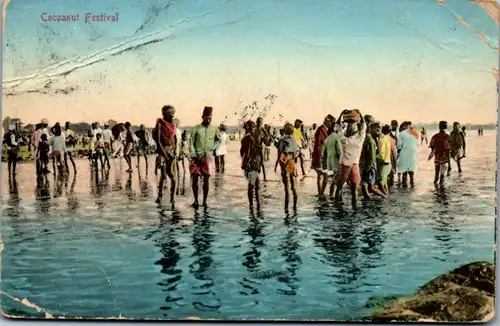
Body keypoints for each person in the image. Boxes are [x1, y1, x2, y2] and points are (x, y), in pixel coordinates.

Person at [189, 106, 221, 208]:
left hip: (207, 157)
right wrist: (193, 154)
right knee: (195, 178)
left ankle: (205, 201)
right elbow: (191, 142)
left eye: (210, 118)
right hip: (196, 157)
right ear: (202, 117)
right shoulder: (196, 128)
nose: (208, 120)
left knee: (206, 178)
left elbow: (218, 140)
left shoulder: (214, 129)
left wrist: (213, 148)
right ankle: (196, 200)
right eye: (207, 118)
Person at [334, 109, 365, 208]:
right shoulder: (360, 139)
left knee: (339, 187)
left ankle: (338, 208)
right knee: (355, 189)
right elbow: (364, 126)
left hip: (345, 165)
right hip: (355, 165)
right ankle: (354, 207)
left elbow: (337, 126)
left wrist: (341, 113)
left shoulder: (344, 140)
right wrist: (360, 113)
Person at [153, 105, 177, 204]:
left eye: (172, 114)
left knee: (172, 176)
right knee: (163, 176)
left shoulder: (173, 124)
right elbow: (158, 141)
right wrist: (165, 154)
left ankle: (172, 197)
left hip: (170, 152)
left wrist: (174, 151)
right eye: (170, 114)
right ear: (164, 114)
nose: (172, 116)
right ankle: (160, 196)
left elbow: (173, 138)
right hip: (163, 152)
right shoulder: (160, 124)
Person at [360, 122, 386, 199]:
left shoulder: (369, 139)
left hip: (368, 166)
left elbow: (372, 155)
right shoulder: (370, 140)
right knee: (368, 186)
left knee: (367, 185)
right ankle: (384, 197)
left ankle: (383, 197)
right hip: (369, 166)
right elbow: (371, 157)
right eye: (377, 130)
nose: (379, 131)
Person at [277, 122, 299, 212]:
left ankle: (286, 209)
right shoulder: (293, 140)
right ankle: (295, 207)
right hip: (292, 164)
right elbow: (295, 154)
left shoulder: (282, 140)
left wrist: (281, 166)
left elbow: (280, 154)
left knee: (287, 189)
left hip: (285, 164)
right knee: (294, 187)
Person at [240, 120, 261, 209]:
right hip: (252, 163)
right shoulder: (249, 138)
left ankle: (254, 205)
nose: (254, 128)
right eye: (253, 127)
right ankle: (253, 205)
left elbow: (242, 152)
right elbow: (247, 152)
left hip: (252, 163)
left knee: (255, 185)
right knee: (253, 186)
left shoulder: (246, 137)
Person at [311, 115, 333, 197]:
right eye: (331, 122)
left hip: (321, 155)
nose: (331, 124)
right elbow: (318, 145)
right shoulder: (321, 130)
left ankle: (321, 193)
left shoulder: (323, 129)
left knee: (321, 175)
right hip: (321, 156)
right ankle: (321, 193)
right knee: (324, 175)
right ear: (327, 121)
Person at [321, 124, 342, 199]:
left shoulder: (326, 139)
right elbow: (339, 151)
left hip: (329, 162)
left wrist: (324, 164)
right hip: (336, 161)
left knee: (332, 179)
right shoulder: (337, 138)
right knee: (338, 180)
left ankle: (331, 195)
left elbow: (323, 154)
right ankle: (338, 196)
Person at [397, 121, 419, 187]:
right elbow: (417, 144)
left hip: (404, 155)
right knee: (412, 173)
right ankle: (412, 187)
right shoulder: (416, 133)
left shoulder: (401, 134)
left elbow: (399, 146)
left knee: (404, 174)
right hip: (413, 155)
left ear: (405, 126)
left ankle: (404, 190)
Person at [429, 121, 451, 185]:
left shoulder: (435, 137)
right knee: (442, 177)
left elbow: (432, 148)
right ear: (446, 127)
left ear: (439, 126)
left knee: (436, 177)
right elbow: (449, 151)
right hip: (444, 159)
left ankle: (435, 192)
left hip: (437, 158)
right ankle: (441, 192)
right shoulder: (448, 137)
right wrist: (449, 165)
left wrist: (432, 155)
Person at [377, 125, 393, 195]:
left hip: (383, 163)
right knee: (384, 182)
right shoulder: (390, 139)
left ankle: (385, 197)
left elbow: (381, 153)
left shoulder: (381, 139)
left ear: (382, 131)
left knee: (381, 183)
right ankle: (387, 195)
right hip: (388, 163)